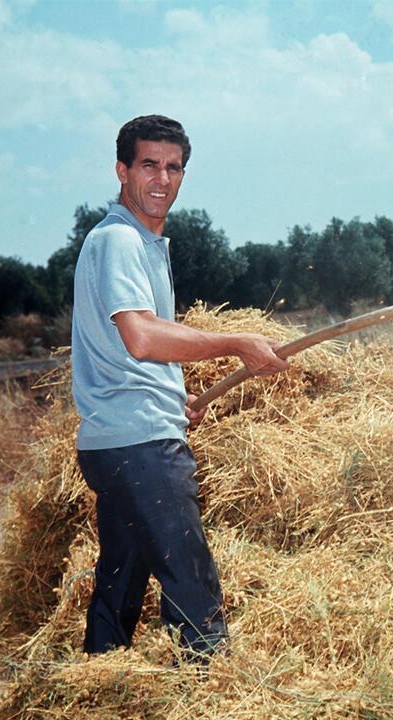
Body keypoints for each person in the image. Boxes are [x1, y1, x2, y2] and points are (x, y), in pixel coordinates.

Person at [71, 115, 289, 661]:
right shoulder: (120, 239)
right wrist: (236, 341)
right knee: (192, 583)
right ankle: (211, 697)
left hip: (115, 442)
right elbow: (141, 336)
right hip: (140, 445)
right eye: (149, 164)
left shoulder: (138, 243)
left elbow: (130, 348)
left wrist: (173, 394)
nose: (162, 179)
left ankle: (96, 690)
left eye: (173, 167)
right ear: (122, 170)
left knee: (120, 585)